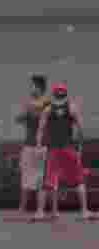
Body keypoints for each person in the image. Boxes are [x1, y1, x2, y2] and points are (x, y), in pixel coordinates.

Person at [35, 82, 93, 221]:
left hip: (53, 150)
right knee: (79, 180)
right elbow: (80, 130)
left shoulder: (48, 110)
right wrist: (80, 147)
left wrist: (38, 147)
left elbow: (41, 130)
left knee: (48, 182)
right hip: (68, 148)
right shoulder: (72, 108)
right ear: (66, 95)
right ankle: (84, 211)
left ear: (53, 95)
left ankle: (40, 212)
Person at [15, 75, 51, 214]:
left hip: (42, 145)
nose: (30, 88)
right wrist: (26, 113)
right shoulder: (29, 103)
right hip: (29, 143)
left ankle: (40, 209)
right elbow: (19, 118)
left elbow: (47, 119)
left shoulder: (47, 103)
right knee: (26, 176)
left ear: (39, 87)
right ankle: (22, 208)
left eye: (32, 86)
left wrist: (31, 111)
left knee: (41, 178)